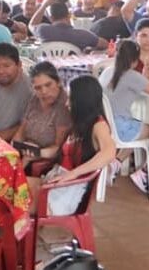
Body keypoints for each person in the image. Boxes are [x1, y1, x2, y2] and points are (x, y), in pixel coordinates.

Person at [42, 75, 116, 215]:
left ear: (82, 101)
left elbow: (109, 152)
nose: (67, 104)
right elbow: (62, 152)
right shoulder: (81, 123)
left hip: (67, 193)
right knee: (13, 189)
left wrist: (73, 174)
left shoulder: (98, 125)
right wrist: (35, 152)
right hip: (57, 182)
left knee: (15, 201)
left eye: (71, 99)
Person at [105, 40, 149, 194]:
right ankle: (144, 172)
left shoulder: (109, 72)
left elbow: (138, 86)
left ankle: (116, 163)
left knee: (140, 125)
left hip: (108, 125)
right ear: (135, 60)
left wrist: (145, 72)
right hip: (122, 128)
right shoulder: (131, 76)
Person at [12, 61, 71, 190]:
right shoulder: (35, 100)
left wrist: (34, 154)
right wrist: (14, 149)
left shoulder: (64, 106)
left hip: (46, 161)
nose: (44, 91)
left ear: (58, 82)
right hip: (26, 152)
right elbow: (21, 132)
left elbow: (58, 148)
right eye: (38, 88)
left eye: (48, 85)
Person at [29, 0, 107, 50]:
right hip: (75, 70)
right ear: (69, 15)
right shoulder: (84, 34)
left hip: (49, 70)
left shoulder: (43, 30)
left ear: (51, 18)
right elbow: (105, 44)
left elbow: (31, 25)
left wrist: (44, 5)